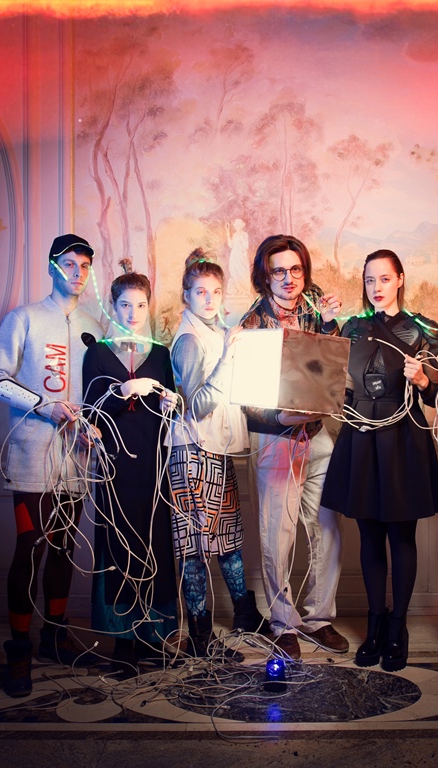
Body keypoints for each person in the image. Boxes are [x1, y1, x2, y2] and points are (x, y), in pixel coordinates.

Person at [0, 234, 102, 697]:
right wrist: (44, 405)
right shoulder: (24, 318)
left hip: (76, 457)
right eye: (69, 263)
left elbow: (97, 393)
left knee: (64, 549)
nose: (77, 272)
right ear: (52, 267)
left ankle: (55, 634)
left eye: (84, 265)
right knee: (30, 547)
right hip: (31, 452)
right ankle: (19, 648)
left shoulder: (93, 326)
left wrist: (91, 425)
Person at [322, 250, 438, 672]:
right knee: (370, 536)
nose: (376, 287)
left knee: (401, 536)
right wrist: (326, 328)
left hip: (404, 437)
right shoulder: (351, 328)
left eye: (385, 279)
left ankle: (397, 627)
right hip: (361, 436)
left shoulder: (425, 329)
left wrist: (423, 379)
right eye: (370, 280)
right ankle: (374, 624)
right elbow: (332, 381)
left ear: (400, 279)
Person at [239, 234, 348, 660]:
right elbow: (246, 396)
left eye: (296, 269)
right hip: (275, 437)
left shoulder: (317, 311)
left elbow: (333, 370)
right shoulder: (252, 324)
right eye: (279, 271)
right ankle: (283, 623)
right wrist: (278, 419)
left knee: (327, 528)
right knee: (277, 535)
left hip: (318, 433)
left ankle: (319, 618)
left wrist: (330, 326)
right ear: (265, 276)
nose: (289, 278)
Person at [168, 249, 267, 659]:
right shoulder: (190, 339)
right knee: (193, 547)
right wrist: (228, 357)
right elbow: (196, 406)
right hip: (191, 451)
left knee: (227, 537)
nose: (209, 299)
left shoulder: (217, 331)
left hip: (216, 449)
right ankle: (200, 636)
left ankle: (245, 612)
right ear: (186, 295)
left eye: (216, 292)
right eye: (200, 292)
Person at [82, 271, 181, 677]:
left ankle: (152, 636)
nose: (133, 313)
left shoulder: (161, 353)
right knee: (119, 543)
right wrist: (123, 392)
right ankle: (123, 639)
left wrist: (171, 402)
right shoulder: (98, 353)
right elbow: (90, 412)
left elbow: (168, 406)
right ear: (113, 305)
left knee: (155, 541)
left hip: (154, 464)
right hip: (116, 464)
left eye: (141, 304)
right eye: (125, 304)